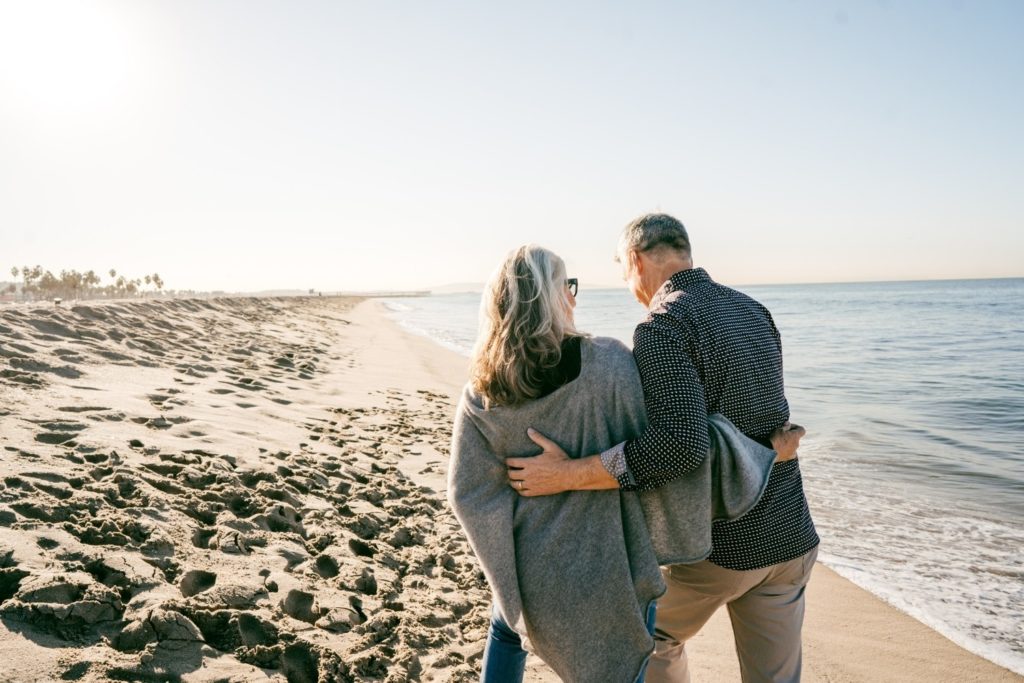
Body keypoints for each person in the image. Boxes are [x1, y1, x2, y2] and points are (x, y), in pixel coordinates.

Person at [448, 244, 803, 683]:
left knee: (506, 627)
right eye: (568, 287)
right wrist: (764, 448)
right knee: (633, 649)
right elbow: (676, 446)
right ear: (553, 297)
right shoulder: (610, 364)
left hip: (530, 565)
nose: (574, 297)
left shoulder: (481, 391)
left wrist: (506, 571)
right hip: (610, 559)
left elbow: (468, 494)